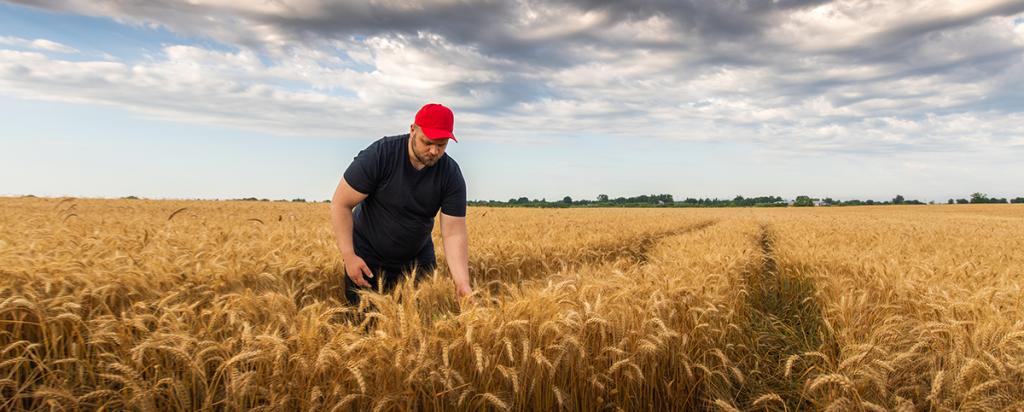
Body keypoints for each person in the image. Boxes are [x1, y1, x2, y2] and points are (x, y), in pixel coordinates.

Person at [330, 103, 472, 306]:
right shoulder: (380, 155)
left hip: (417, 258)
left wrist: (462, 283)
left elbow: (454, 232)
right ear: (413, 130)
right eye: (428, 142)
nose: (434, 151)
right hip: (367, 256)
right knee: (364, 328)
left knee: (423, 326)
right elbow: (340, 203)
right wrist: (349, 256)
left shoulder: (450, 174)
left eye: (441, 145)